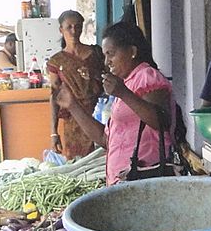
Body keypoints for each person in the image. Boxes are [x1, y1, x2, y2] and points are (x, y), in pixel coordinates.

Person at [53, 20, 176, 185]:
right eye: (105, 56)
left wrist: (123, 93)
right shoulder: (126, 83)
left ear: (132, 51)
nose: (106, 62)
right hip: (124, 182)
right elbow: (105, 140)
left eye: (111, 54)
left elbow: (161, 121)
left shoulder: (146, 76)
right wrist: (73, 106)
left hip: (145, 180)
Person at [46, 10, 105, 159]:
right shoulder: (56, 61)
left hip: (99, 113)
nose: (74, 31)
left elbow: (109, 79)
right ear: (61, 30)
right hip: (73, 120)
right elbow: (55, 95)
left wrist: (93, 75)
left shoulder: (96, 53)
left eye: (77, 27)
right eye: (69, 27)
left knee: (103, 156)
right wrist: (54, 132)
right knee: (79, 164)